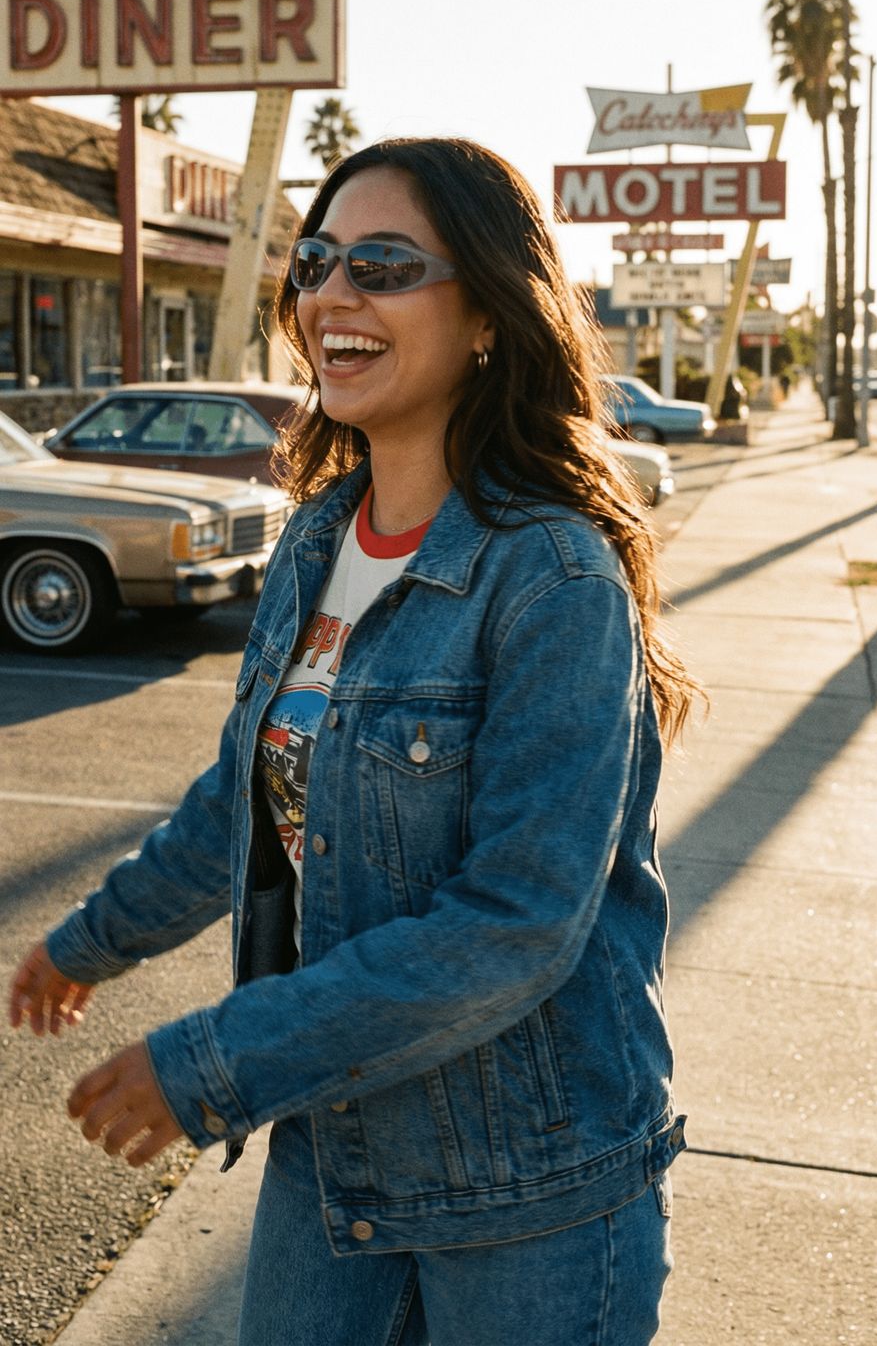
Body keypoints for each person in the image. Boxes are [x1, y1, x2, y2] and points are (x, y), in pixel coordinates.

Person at [9, 138, 698, 1345]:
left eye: (382, 265)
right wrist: (87, 943)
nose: (332, 295)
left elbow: (517, 921)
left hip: (530, 1191)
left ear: (487, 311)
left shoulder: (551, 578)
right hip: (331, 1161)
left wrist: (215, 1060)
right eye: (317, 263)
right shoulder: (317, 540)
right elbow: (243, 798)